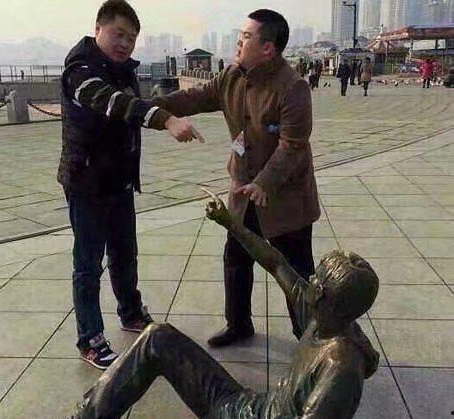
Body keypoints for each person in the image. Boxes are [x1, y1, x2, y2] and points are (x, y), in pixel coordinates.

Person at [71, 195, 380, 419]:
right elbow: (276, 262)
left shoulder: (340, 366)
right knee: (157, 337)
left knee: (157, 341)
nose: (308, 278)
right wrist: (231, 223)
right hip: (249, 406)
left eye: (315, 278)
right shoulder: (325, 315)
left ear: (321, 293)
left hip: (243, 413)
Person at [151, 9, 320, 347]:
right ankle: (238, 324)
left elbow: (293, 145)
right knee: (236, 256)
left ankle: (310, 337)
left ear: (267, 48)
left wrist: (264, 183)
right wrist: (150, 110)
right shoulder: (231, 76)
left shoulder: (293, 88)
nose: (239, 42)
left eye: (246, 36)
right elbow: (194, 98)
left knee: (295, 270)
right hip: (243, 190)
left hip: (284, 196)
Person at [57, 0, 201, 370]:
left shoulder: (122, 69)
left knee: (125, 254)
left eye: (132, 38)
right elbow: (114, 103)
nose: (125, 44)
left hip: (119, 181)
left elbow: (132, 106)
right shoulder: (80, 70)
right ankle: (90, 339)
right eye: (119, 34)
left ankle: (131, 312)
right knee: (88, 265)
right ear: (98, 29)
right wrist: (166, 119)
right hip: (87, 183)